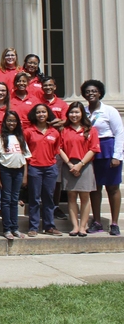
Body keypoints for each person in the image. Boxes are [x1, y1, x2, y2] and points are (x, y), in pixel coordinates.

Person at [81, 80, 123, 235]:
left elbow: (119, 133)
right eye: (88, 91)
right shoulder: (83, 111)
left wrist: (117, 155)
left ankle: (114, 223)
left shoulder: (109, 111)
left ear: (100, 93)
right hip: (90, 151)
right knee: (95, 187)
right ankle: (97, 221)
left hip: (107, 148)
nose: (91, 94)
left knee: (112, 187)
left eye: (94, 91)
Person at [58, 102, 99, 237]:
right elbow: (59, 148)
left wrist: (80, 164)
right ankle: (75, 226)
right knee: (71, 196)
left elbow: (93, 149)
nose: (74, 115)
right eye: (71, 112)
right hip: (69, 165)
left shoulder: (90, 129)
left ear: (82, 113)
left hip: (85, 165)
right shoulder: (64, 130)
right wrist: (70, 164)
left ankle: (83, 226)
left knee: (85, 196)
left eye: (77, 112)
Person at [24, 104, 63, 237]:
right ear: (34, 115)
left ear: (48, 114)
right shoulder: (29, 131)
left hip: (50, 168)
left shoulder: (54, 132)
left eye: (44, 112)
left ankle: (49, 226)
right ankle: (33, 227)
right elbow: (25, 150)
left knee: (49, 198)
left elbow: (56, 150)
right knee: (34, 198)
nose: (41, 114)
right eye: (38, 112)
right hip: (34, 167)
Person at [0, 110, 30, 239]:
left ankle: (15, 228)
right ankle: (6, 229)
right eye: (9, 120)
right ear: (4, 122)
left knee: (15, 200)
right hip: (5, 171)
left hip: (18, 171)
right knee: (6, 200)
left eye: (14, 121)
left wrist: (24, 176)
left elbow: (25, 159)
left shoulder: (20, 137)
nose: (11, 123)